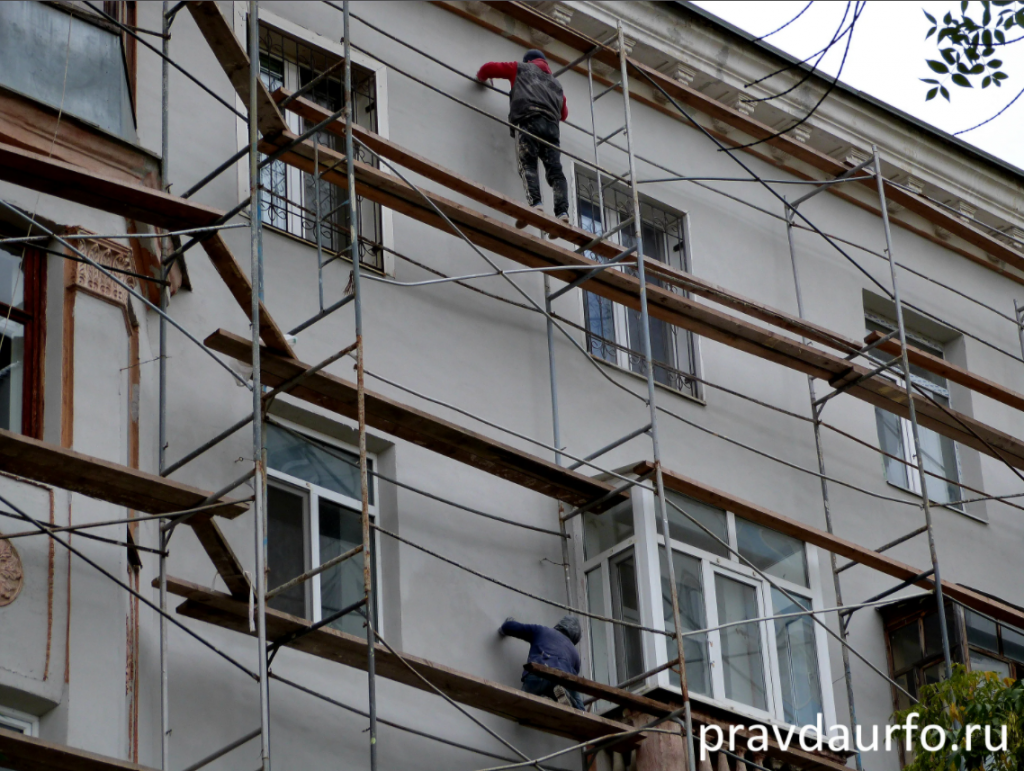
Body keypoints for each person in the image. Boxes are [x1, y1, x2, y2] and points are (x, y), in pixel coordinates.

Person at [477, 50, 570, 231]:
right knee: (555, 171)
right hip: (551, 129)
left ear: (528, 61)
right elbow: (564, 114)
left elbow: (488, 68)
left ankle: (536, 205)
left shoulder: (520, 68)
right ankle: (562, 214)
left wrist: (481, 78)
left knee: (527, 163)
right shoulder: (557, 85)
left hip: (528, 120)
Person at [499, 615, 584, 710]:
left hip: (539, 675)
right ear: (575, 637)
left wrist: (505, 626)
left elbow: (513, 628)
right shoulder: (575, 653)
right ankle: (566, 700)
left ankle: (543, 697)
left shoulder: (542, 631)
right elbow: (574, 679)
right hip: (562, 680)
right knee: (577, 704)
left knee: (521, 703)